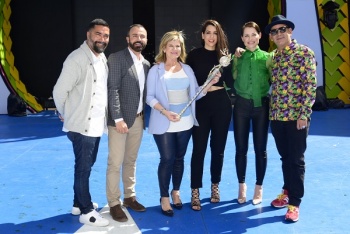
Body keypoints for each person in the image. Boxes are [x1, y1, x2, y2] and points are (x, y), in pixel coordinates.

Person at [146, 30, 220, 217]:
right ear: (164, 47)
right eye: (170, 45)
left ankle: (176, 191)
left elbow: (196, 92)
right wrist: (165, 112)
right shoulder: (156, 70)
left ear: (181, 48)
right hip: (164, 121)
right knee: (167, 158)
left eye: (177, 46)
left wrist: (210, 84)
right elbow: (149, 97)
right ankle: (164, 197)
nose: (174, 49)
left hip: (185, 122)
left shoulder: (187, 69)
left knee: (179, 158)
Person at [52, 18, 110, 227]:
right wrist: (66, 113)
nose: (102, 39)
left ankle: (78, 202)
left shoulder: (101, 58)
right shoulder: (76, 59)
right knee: (83, 168)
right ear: (88, 35)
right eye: (98, 34)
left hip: (95, 125)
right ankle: (86, 211)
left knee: (87, 165)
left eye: (105, 35)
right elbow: (59, 91)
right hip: (81, 125)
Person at [265, 15, 317, 222]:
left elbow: (310, 85)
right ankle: (286, 192)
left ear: (290, 31)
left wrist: (304, 114)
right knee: (285, 158)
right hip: (277, 115)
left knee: (296, 160)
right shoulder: (274, 57)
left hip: (297, 117)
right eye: (274, 31)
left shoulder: (304, 53)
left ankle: (295, 203)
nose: (278, 33)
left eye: (282, 29)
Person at [186, 19, 233, 211]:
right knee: (199, 150)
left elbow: (229, 81)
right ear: (203, 35)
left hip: (222, 107)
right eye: (208, 32)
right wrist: (209, 86)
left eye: (215, 33)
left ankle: (215, 186)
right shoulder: (194, 56)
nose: (212, 37)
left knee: (218, 149)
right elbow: (191, 82)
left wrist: (211, 85)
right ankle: (195, 191)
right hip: (201, 108)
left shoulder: (225, 56)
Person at [106, 24, 150, 222]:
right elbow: (112, 89)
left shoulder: (147, 64)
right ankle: (114, 203)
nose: (138, 38)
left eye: (142, 36)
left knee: (131, 161)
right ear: (127, 39)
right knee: (115, 163)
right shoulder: (116, 58)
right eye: (135, 35)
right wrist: (118, 118)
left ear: (146, 40)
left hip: (138, 120)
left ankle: (129, 197)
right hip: (120, 122)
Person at [231, 21, 271, 205]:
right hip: (241, 106)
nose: (250, 39)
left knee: (260, 149)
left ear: (260, 36)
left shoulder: (268, 57)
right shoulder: (237, 57)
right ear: (241, 39)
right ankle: (242, 185)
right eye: (246, 35)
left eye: (253, 34)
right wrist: (236, 55)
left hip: (261, 107)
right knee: (241, 149)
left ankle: (259, 186)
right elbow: (230, 76)